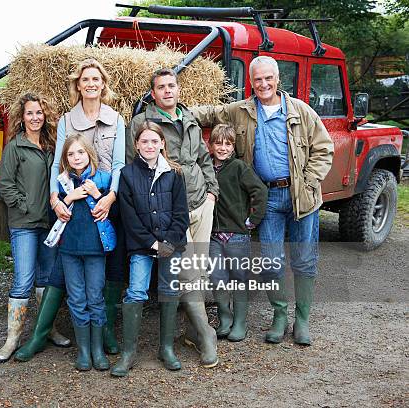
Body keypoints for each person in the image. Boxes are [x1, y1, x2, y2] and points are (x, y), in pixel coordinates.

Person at [191, 56, 334, 345]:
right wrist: (173, 111)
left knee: (304, 259)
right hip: (266, 197)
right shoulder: (240, 111)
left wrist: (307, 181)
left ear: (278, 79)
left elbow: (324, 148)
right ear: (251, 82)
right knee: (270, 262)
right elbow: (208, 113)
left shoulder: (301, 111)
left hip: (301, 196)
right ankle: (279, 316)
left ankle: (302, 320)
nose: (264, 84)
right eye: (258, 79)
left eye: (268, 78)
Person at [15, 58, 126, 361]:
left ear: (104, 84)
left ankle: (103, 335)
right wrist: (54, 199)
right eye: (85, 80)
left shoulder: (116, 119)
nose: (91, 84)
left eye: (96, 79)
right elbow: (57, 163)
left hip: (103, 201)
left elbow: (118, 164)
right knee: (61, 269)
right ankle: (40, 334)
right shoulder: (67, 119)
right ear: (78, 85)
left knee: (108, 267)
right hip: (70, 201)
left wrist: (110, 197)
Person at [127, 68, 218, 366]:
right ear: (153, 93)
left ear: (179, 89)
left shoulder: (188, 118)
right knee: (187, 272)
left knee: (199, 269)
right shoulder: (143, 123)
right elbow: (136, 166)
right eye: (161, 87)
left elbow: (204, 158)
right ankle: (207, 336)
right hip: (172, 209)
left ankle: (193, 330)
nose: (168, 91)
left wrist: (212, 193)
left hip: (201, 202)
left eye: (172, 86)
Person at [111, 121, 191, 377]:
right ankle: (128, 352)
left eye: (154, 141)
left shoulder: (174, 173)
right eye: (144, 141)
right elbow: (129, 217)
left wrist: (168, 242)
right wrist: (151, 242)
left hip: (170, 244)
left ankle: (166, 348)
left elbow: (181, 213)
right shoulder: (127, 174)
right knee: (136, 292)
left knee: (169, 291)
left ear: (162, 144)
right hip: (142, 246)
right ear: (136, 145)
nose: (149, 145)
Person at [0, 93, 69, 363]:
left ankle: (47, 329)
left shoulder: (51, 147)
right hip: (24, 223)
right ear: (21, 117)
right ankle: (12, 339)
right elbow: (5, 185)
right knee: (24, 279)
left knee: (47, 277)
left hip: (49, 224)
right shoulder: (15, 146)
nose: (35, 117)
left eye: (39, 112)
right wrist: (24, 206)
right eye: (30, 113)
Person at [54, 133, 116, 371]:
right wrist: (67, 198)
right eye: (71, 154)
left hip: (95, 250)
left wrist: (96, 195)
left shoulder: (103, 179)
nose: (76, 157)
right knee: (77, 298)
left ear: (89, 154)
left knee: (95, 296)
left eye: (80, 152)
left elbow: (114, 212)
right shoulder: (61, 183)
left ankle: (98, 349)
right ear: (66, 159)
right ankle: (83, 351)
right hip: (69, 249)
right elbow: (54, 215)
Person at [207, 124, 267, 342]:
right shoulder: (206, 168)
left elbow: (260, 191)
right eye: (218, 143)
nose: (222, 148)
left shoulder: (240, 167)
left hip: (237, 235)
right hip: (213, 234)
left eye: (227, 144)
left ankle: (240, 322)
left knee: (239, 278)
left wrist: (253, 220)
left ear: (233, 147)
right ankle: (225, 318)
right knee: (217, 278)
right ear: (210, 145)